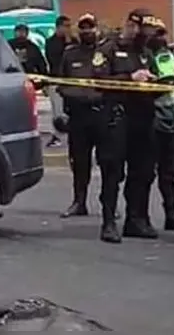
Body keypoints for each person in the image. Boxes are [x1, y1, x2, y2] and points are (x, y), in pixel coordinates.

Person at [57, 13, 125, 244]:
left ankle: (109, 209)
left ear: (98, 28)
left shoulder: (108, 52)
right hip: (78, 116)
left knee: (109, 164)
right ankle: (79, 201)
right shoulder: (70, 54)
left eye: (91, 27)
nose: (87, 31)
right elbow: (61, 84)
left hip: (103, 114)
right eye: (83, 28)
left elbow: (117, 81)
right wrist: (75, 96)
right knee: (79, 161)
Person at [110, 8, 163, 239]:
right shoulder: (110, 49)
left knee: (143, 172)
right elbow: (99, 81)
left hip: (144, 118)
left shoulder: (146, 53)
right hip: (118, 117)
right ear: (132, 25)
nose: (146, 35)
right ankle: (109, 221)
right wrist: (129, 78)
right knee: (113, 172)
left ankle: (138, 218)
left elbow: (155, 78)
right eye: (143, 30)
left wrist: (156, 84)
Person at [148, 23, 174, 231]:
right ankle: (139, 218)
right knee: (145, 172)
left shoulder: (171, 56)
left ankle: (172, 215)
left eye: (163, 33)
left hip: (172, 119)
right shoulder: (145, 57)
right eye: (158, 34)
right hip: (152, 118)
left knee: (170, 172)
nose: (162, 38)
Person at [45, 16, 74, 148]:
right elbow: (55, 59)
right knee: (57, 109)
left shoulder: (74, 41)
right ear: (59, 27)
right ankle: (57, 134)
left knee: (70, 109)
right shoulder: (51, 42)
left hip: (71, 80)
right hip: (56, 79)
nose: (68, 29)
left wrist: (69, 42)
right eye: (66, 26)